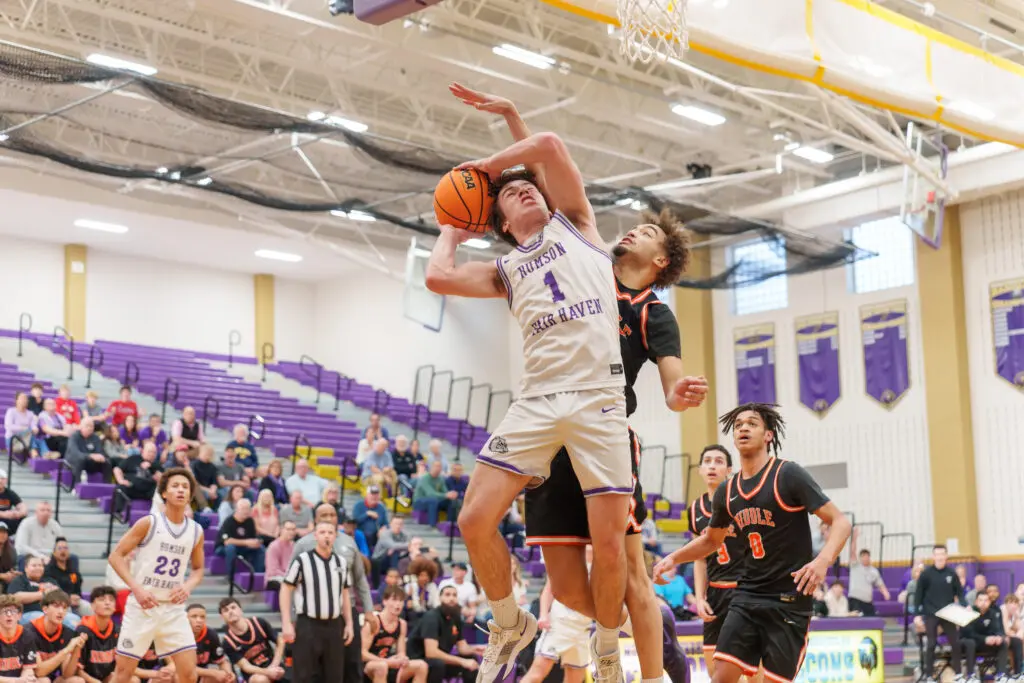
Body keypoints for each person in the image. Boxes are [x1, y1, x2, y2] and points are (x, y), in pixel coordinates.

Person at [450, 82, 709, 683]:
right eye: (633, 227)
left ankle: (650, 671)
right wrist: (513, 118)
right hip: (549, 429)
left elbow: (671, 379)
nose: (632, 232)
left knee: (629, 573)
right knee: (568, 587)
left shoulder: (651, 310)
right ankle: (596, 640)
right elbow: (543, 177)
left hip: (601, 424)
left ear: (660, 261)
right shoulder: (573, 248)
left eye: (646, 233)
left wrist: (676, 395)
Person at [427, 91, 646, 681]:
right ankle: (509, 620)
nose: (524, 191)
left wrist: (498, 145)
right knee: (473, 519)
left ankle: (606, 647)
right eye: (510, 193)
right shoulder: (504, 270)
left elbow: (547, 146)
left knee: (608, 544)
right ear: (499, 221)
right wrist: (451, 226)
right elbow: (437, 277)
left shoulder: (577, 224)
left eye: (530, 187)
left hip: (599, 400)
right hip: (538, 401)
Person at [653, 403, 851, 683]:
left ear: (768, 435)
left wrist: (822, 561)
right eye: (738, 425)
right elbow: (710, 540)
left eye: (752, 423)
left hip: (788, 600)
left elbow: (840, 522)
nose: (743, 428)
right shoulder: (727, 490)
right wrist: (674, 558)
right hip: (747, 596)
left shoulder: (788, 475)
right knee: (720, 677)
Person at [106, 467, 204, 683]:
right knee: (123, 674)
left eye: (185, 487)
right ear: (164, 493)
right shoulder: (149, 523)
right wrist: (137, 589)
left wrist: (187, 586)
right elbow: (116, 556)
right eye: (175, 486)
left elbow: (198, 569)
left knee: (189, 674)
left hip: (173, 609)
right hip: (143, 607)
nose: (181, 490)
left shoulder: (196, 530)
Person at [291, 503, 375, 683]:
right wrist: (291, 618)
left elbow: (360, 579)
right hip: (314, 615)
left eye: (332, 514)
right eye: (324, 515)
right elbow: (290, 585)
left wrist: (369, 610)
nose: (329, 518)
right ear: (315, 520)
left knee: (352, 663)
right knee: (315, 669)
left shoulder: (349, 542)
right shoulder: (303, 545)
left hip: (347, 612)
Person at [689, 445, 745, 676]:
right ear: (700, 469)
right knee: (714, 670)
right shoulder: (695, 509)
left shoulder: (741, 502)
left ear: (729, 470)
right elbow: (699, 559)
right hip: (715, 595)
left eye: (719, 461)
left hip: (744, 591)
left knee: (750, 671)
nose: (712, 466)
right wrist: (699, 597)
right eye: (708, 461)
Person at [280, 521, 354, 682]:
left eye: (330, 532)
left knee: (334, 676)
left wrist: (349, 623)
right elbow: (286, 589)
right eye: (322, 532)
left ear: (335, 536)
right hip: (308, 625)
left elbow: (345, 593)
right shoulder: (302, 560)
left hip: (334, 625)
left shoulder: (341, 562)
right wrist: (286, 622)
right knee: (303, 675)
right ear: (315, 536)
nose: (326, 536)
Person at [405, 585, 483, 683]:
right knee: (438, 664)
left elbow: (462, 647)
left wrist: (476, 649)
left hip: (438, 662)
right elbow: (431, 653)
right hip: (418, 661)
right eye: (447, 594)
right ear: (440, 598)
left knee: (471, 659)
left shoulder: (455, 617)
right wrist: (462, 661)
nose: (451, 598)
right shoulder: (432, 617)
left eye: (454, 595)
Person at [522, 577, 592, 683]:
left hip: (583, 627)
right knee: (536, 674)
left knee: (574, 680)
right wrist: (543, 614)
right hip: (559, 623)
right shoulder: (564, 565)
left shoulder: (601, 568)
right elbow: (549, 588)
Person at [914, 544, 965, 682]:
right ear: (933, 556)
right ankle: (929, 676)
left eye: (942, 554)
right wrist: (917, 615)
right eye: (937, 554)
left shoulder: (951, 573)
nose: (940, 557)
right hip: (931, 613)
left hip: (948, 613)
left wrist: (965, 606)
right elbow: (918, 595)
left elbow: (959, 592)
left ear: (946, 556)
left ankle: (958, 674)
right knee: (931, 644)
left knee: (955, 643)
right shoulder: (926, 574)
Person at [362, 586, 429, 683]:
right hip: (370, 665)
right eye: (394, 600)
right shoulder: (374, 622)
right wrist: (387, 662)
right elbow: (362, 654)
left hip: (389, 662)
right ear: (384, 601)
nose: (398, 604)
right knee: (381, 666)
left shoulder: (402, 624)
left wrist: (402, 658)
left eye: (401, 601)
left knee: (421, 665)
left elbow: (401, 652)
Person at [25, 589, 88, 682]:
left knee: (77, 681)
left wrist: (76, 649)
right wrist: (67, 650)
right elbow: (39, 672)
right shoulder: (29, 632)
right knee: (44, 680)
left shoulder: (68, 633)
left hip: (52, 679)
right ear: (45, 609)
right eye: (56, 606)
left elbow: (67, 674)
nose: (61, 611)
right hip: (30, 679)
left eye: (64, 608)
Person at [218, 598, 286, 683]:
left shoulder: (259, 622)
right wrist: (268, 672)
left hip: (272, 664)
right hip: (253, 674)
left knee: (284, 672)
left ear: (240, 610)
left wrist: (274, 664)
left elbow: (280, 641)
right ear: (222, 616)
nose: (230, 612)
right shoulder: (227, 642)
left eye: (233, 607)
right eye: (226, 610)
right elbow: (245, 666)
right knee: (260, 680)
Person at [69, 586, 121, 683]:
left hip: (107, 678)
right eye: (102, 599)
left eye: (111, 600)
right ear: (92, 606)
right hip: (86, 679)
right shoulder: (83, 630)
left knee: (131, 679)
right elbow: (77, 669)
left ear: (115, 607)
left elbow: (120, 666)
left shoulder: (118, 630)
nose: (107, 603)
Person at [961, 591, 1010, 679]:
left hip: (986, 642)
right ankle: (971, 676)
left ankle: (1001, 675)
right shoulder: (970, 612)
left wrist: (998, 637)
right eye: (981, 600)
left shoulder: (992, 613)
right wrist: (985, 639)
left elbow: (997, 629)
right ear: (976, 602)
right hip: (973, 641)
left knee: (1003, 643)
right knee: (970, 642)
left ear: (989, 602)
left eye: (986, 600)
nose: (983, 603)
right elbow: (968, 633)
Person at [184, 604, 234, 683]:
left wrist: (228, 673)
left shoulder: (211, 634)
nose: (199, 620)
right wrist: (213, 673)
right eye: (194, 616)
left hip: (202, 676)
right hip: (181, 675)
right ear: (185, 618)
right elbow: (182, 668)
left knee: (225, 678)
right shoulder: (178, 635)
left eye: (202, 617)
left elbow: (221, 661)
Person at [0, 594, 40, 679]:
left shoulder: (27, 635)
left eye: (13, 611)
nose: (9, 615)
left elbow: (28, 668)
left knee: (44, 680)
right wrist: (15, 681)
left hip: (18, 680)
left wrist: (24, 678)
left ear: (19, 615)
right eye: (4, 611)